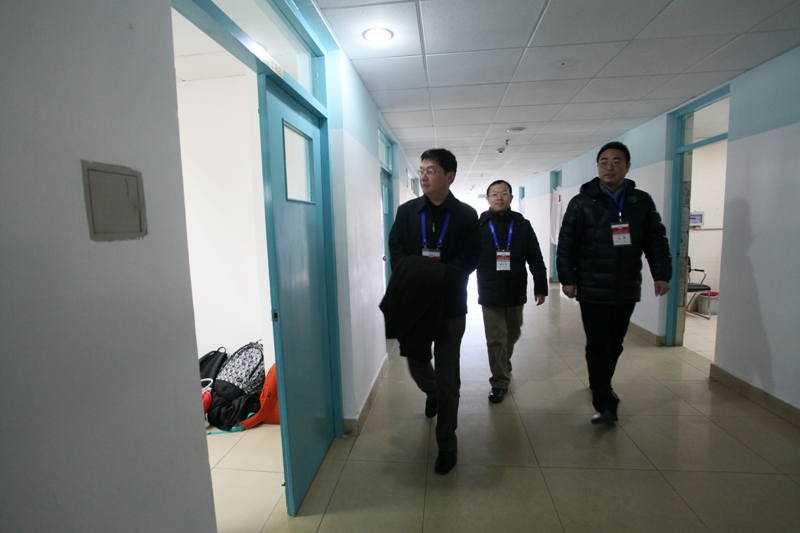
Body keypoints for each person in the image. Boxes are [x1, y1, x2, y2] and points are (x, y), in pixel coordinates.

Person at [556, 141, 672, 425]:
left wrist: (661, 274)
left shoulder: (640, 201)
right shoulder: (582, 202)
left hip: (626, 285)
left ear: (627, 166)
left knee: (615, 343)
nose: (609, 167)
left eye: (616, 161)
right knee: (598, 344)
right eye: (603, 162)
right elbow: (567, 243)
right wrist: (567, 279)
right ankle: (604, 402)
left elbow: (655, 240)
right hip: (592, 286)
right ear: (597, 167)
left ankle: (601, 383)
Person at [386, 148, 480, 475]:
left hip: (450, 305)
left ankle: (447, 443)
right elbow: (396, 249)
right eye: (422, 170)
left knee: (449, 375)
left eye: (431, 171)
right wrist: (419, 275)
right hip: (415, 304)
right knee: (416, 364)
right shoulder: (407, 212)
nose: (424, 177)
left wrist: (438, 276)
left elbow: (471, 257)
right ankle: (432, 392)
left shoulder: (466, 215)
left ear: (449, 176)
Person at [476, 180, 547, 404]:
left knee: (512, 333)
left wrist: (541, 286)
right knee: (496, 338)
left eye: (504, 193)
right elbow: (466, 256)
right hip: (489, 289)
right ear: (488, 199)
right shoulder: (478, 226)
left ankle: (503, 360)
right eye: (494, 194)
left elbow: (535, 256)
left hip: (515, 287)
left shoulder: (522, 225)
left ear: (511, 198)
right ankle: (499, 382)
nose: (499, 197)